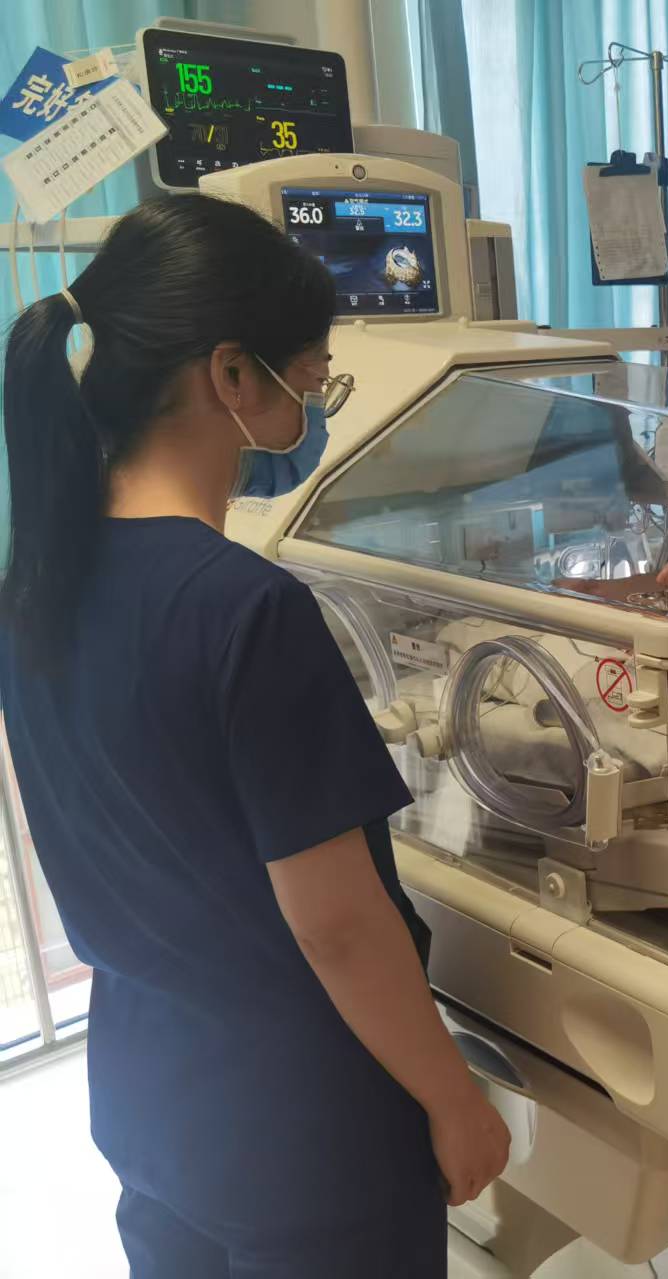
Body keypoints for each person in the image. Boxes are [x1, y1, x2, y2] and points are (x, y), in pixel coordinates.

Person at [0, 195, 509, 1278]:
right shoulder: (244, 608)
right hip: (302, 1126)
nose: (316, 402)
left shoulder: (33, 585)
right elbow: (337, 926)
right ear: (232, 374)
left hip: (147, 1088)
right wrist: (453, 1097)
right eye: (314, 375)